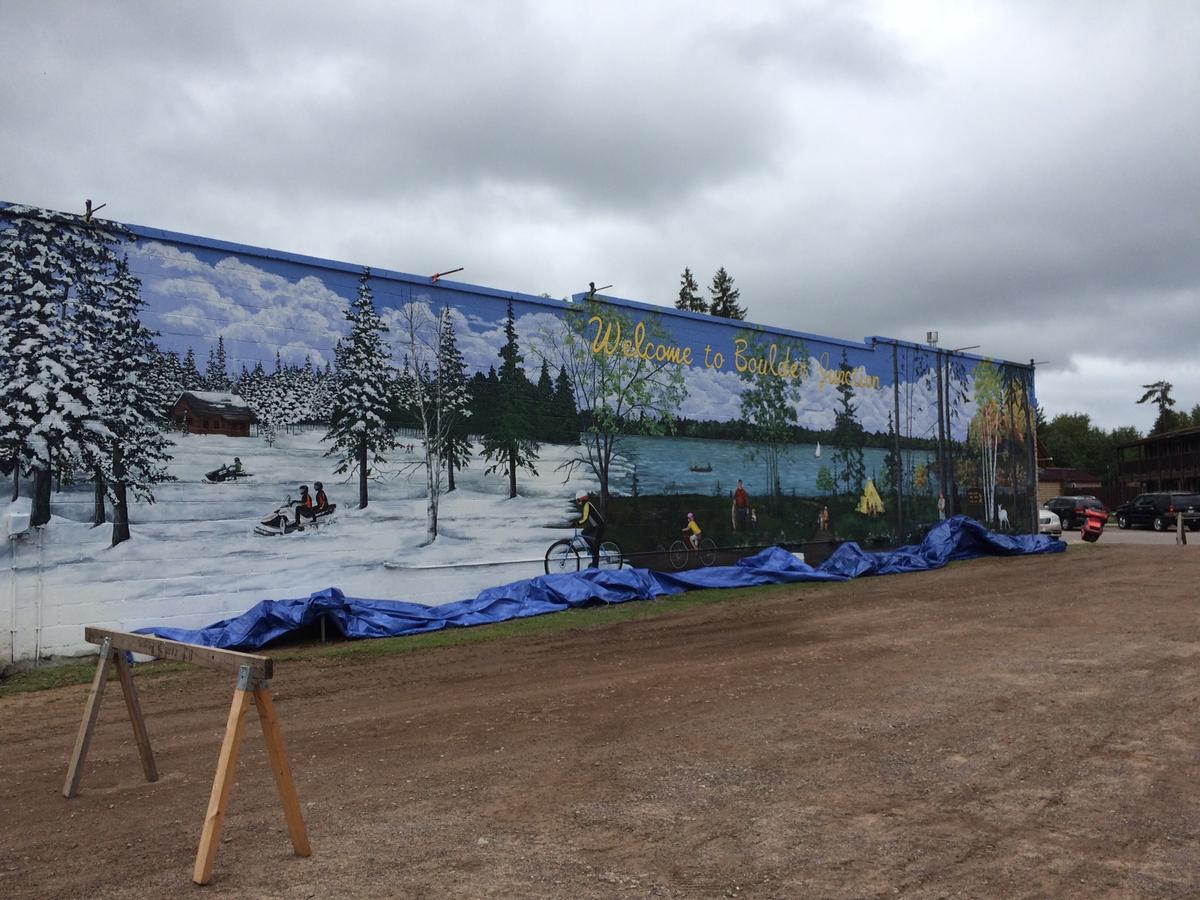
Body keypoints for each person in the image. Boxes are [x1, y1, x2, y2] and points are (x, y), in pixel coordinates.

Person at [574, 489, 605, 567]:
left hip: (599, 526)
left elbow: (585, 518)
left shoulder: (587, 505)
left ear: (582, 499)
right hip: (595, 525)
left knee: (596, 547)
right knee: (584, 533)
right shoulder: (586, 505)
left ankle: (595, 565)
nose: (578, 502)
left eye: (578, 500)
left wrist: (577, 523)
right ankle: (592, 548)